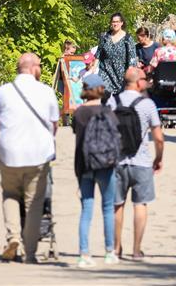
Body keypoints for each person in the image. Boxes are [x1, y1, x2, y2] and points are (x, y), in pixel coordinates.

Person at [0, 53, 59, 263]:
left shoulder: (3, 91)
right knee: (34, 202)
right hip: (38, 155)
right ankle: (30, 252)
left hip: (9, 153)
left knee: (10, 194)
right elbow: (54, 124)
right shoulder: (46, 92)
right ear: (32, 68)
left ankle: (13, 238)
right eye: (39, 65)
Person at [111, 67, 164, 260]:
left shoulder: (112, 101)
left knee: (117, 205)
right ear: (137, 82)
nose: (147, 82)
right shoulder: (147, 104)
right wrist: (158, 158)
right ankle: (136, 250)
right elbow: (158, 138)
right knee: (140, 204)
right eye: (145, 78)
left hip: (117, 161)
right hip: (141, 161)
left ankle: (116, 248)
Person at [72, 73, 121, 268]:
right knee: (108, 208)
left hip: (85, 164)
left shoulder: (79, 114)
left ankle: (84, 254)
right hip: (106, 165)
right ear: (101, 90)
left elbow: (77, 136)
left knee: (86, 209)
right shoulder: (108, 112)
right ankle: (109, 252)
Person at [97, 13, 137, 97]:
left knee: (119, 99)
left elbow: (132, 59)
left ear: (122, 23)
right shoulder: (104, 37)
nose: (115, 24)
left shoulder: (127, 39)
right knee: (105, 96)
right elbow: (98, 54)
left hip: (121, 76)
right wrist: (93, 69)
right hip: (106, 72)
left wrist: (130, 75)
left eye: (117, 22)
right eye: (113, 22)